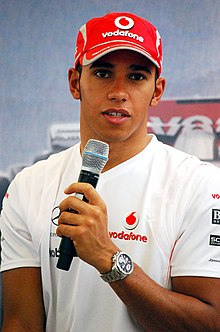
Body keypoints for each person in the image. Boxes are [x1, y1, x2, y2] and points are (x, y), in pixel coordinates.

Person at [1, 11, 220, 332]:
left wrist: (108, 257)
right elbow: (21, 322)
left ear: (157, 91)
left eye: (136, 76)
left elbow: (210, 322)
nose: (119, 91)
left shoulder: (199, 183)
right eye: (103, 73)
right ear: (76, 83)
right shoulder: (29, 185)